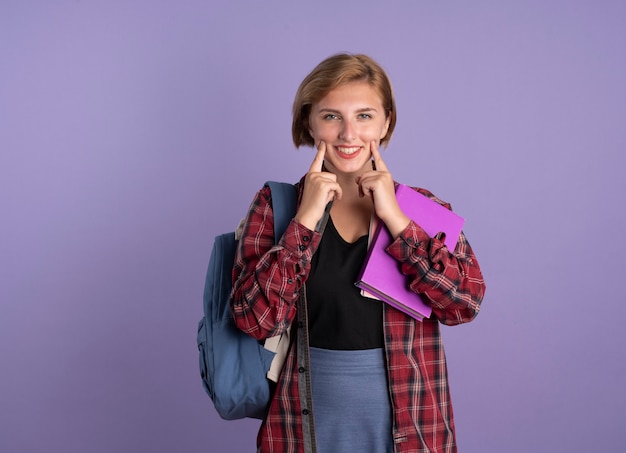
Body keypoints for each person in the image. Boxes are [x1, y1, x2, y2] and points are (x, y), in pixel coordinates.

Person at [230, 53, 486, 453]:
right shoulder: (277, 205)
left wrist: (396, 220)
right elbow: (254, 319)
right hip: (303, 426)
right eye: (331, 116)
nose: (348, 134)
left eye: (364, 116)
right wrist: (307, 219)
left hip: (411, 425)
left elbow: (464, 304)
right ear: (309, 122)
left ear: (386, 122)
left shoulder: (422, 209)